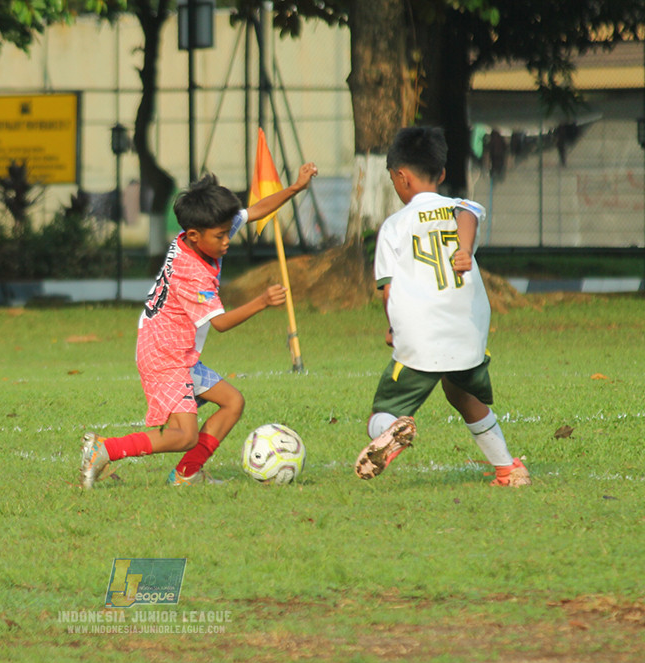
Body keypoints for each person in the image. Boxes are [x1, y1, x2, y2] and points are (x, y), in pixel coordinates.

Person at [80, 162, 318, 489]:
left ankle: (186, 474)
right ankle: (104, 449)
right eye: (221, 236)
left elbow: (253, 211)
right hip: (164, 355)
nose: (228, 240)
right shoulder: (191, 272)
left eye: (228, 232)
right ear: (194, 235)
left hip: (178, 351)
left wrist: (295, 188)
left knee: (232, 402)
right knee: (184, 435)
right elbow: (220, 323)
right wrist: (262, 301)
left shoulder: (203, 232)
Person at [355, 127, 529, 487]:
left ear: (401, 177)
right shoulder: (462, 212)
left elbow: (388, 291)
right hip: (468, 333)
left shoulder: (394, 227)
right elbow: (469, 212)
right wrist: (463, 250)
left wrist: (393, 328)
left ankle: (393, 428)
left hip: (421, 334)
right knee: (462, 394)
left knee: (382, 412)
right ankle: (508, 469)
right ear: (443, 173)